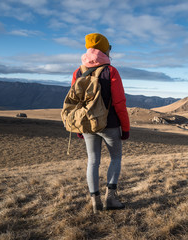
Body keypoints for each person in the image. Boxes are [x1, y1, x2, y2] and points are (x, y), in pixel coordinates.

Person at [71, 33, 130, 213]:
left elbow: (75, 102)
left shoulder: (78, 71)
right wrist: (125, 128)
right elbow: (119, 103)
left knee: (93, 160)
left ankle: (95, 201)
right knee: (116, 157)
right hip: (110, 124)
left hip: (88, 124)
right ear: (105, 49)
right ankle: (110, 199)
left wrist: (79, 127)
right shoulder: (111, 71)